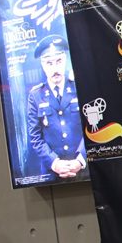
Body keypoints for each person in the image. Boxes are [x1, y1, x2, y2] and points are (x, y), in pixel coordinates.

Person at [26, 35, 86, 179]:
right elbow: (35, 136)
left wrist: (80, 159)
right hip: (52, 172)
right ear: (43, 65)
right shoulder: (35, 95)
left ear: (65, 60)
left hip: (83, 169)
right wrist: (54, 163)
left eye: (58, 61)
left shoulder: (79, 86)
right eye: (49, 63)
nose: (55, 68)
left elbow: (92, 126)